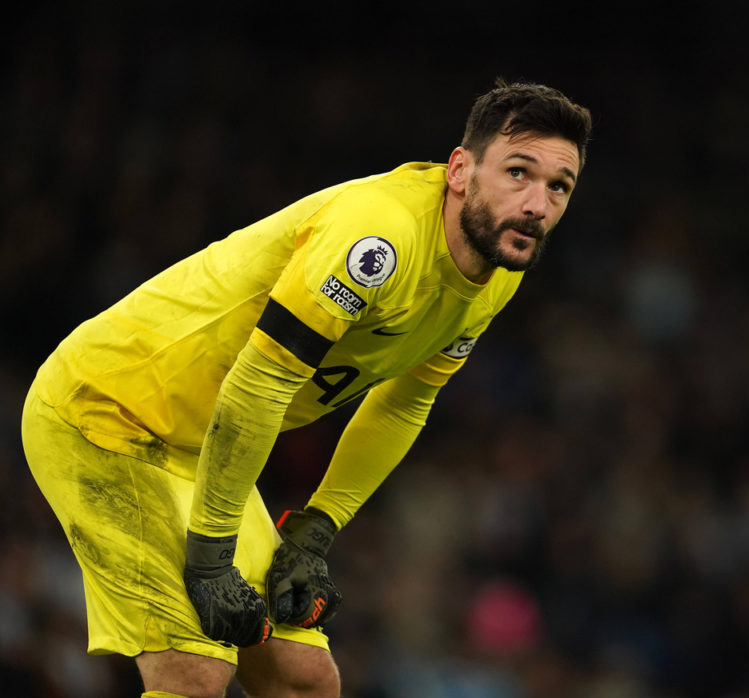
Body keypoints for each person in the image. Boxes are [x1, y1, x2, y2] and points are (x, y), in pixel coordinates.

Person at [21, 79, 592, 698]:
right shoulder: (379, 238)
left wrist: (317, 528)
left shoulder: (497, 272)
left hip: (196, 446)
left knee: (303, 680)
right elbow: (259, 384)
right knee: (194, 671)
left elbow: (405, 402)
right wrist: (210, 555)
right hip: (105, 411)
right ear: (460, 170)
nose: (537, 203)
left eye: (558, 186)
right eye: (517, 172)